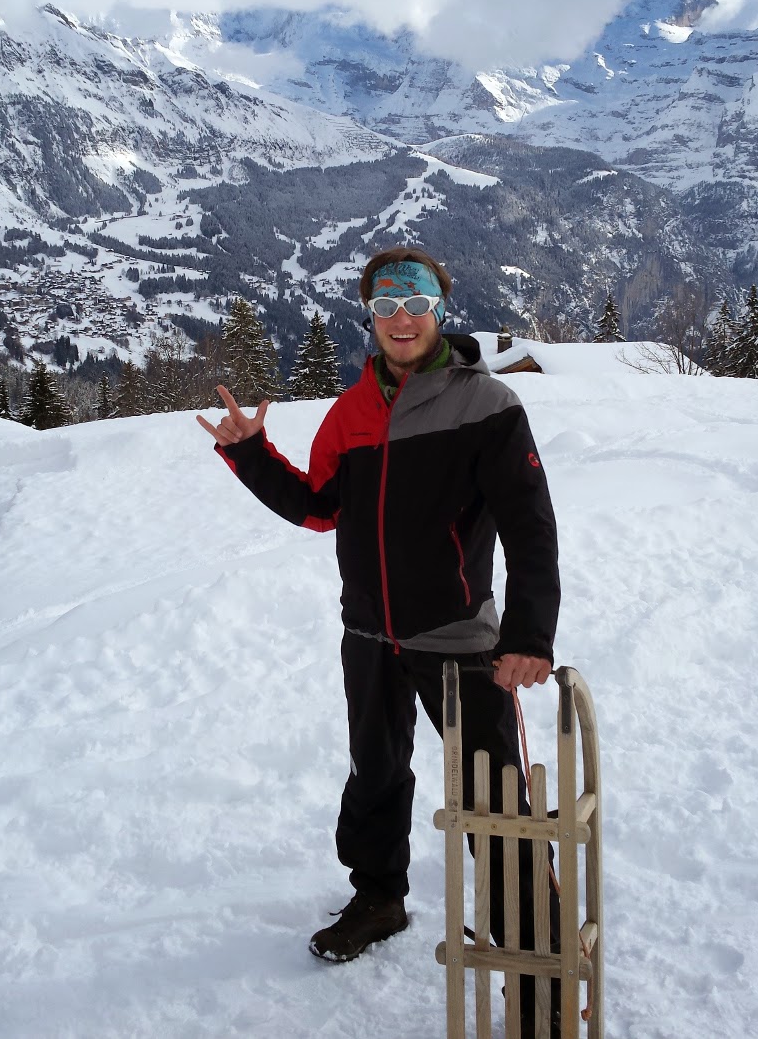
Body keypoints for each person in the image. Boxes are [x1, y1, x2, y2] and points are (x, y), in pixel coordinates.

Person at [197, 247, 561, 1036]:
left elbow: (532, 527)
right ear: (370, 315)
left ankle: (537, 966)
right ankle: (379, 897)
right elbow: (318, 507)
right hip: (369, 631)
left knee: (496, 799)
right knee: (377, 770)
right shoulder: (349, 412)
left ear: (440, 308)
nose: (401, 316)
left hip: (463, 640)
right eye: (386, 302)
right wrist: (250, 452)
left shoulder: (486, 403)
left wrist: (529, 633)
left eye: (416, 299)